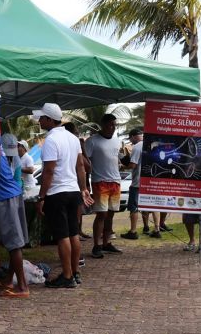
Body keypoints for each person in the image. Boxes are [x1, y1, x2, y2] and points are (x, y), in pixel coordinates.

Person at [34, 102, 93, 288]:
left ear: (50, 120)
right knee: (73, 233)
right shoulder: (73, 138)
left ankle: (67, 276)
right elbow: (80, 167)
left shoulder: (51, 140)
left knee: (62, 236)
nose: (39, 120)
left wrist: (42, 197)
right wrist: (83, 189)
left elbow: (49, 171)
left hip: (57, 193)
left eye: (42, 118)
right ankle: (75, 272)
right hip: (73, 190)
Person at [0, 133, 30, 298]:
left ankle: (22, 287)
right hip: (16, 195)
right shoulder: (12, 158)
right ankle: (9, 280)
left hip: (6, 199)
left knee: (14, 244)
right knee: (14, 243)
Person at [84, 113, 123, 258]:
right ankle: (96, 246)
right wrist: (86, 184)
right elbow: (85, 164)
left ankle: (107, 243)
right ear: (103, 124)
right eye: (110, 124)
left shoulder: (117, 141)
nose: (112, 127)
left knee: (111, 214)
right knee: (101, 214)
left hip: (116, 181)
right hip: (100, 181)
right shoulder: (92, 141)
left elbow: (120, 160)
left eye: (114, 125)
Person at [120, 128, 161, 240]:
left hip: (138, 183)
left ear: (133, 136)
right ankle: (157, 229)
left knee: (134, 207)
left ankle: (133, 231)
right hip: (153, 182)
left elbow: (133, 165)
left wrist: (122, 166)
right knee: (154, 205)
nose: (130, 141)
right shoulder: (154, 144)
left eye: (130, 138)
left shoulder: (137, 147)